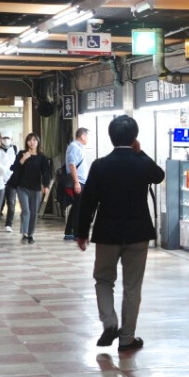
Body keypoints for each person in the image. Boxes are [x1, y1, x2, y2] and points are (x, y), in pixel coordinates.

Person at [75, 116, 165, 353]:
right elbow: (159, 175)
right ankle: (127, 339)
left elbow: (88, 202)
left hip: (107, 233)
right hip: (138, 233)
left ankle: (110, 322)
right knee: (132, 287)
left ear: (110, 137)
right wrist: (141, 152)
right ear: (134, 138)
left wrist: (81, 233)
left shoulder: (100, 165)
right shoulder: (141, 163)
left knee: (104, 280)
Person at [12, 132, 53, 244]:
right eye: (29, 140)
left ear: (38, 142)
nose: (32, 142)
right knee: (26, 211)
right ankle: (24, 234)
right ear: (26, 142)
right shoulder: (22, 153)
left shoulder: (42, 157)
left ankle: (30, 234)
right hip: (22, 187)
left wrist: (46, 185)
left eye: (34, 140)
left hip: (35, 188)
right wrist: (23, 159)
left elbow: (46, 173)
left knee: (34, 212)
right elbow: (14, 168)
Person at [63, 127, 91, 241]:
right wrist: (76, 183)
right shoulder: (74, 147)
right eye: (87, 136)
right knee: (79, 208)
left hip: (81, 181)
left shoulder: (78, 147)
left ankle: (69, 232)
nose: (88, 139)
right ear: (83, 136)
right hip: (78, 182)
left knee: (76, 207)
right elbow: (72, 165)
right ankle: (76, 233)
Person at [0, 133, 20, 233]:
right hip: (0, 180)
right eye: (4, 138)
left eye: (8, 138)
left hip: (12, 180)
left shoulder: (15, 149)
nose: (6, 140)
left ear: (11, 139)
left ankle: (8, 224)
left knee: (11, 203)